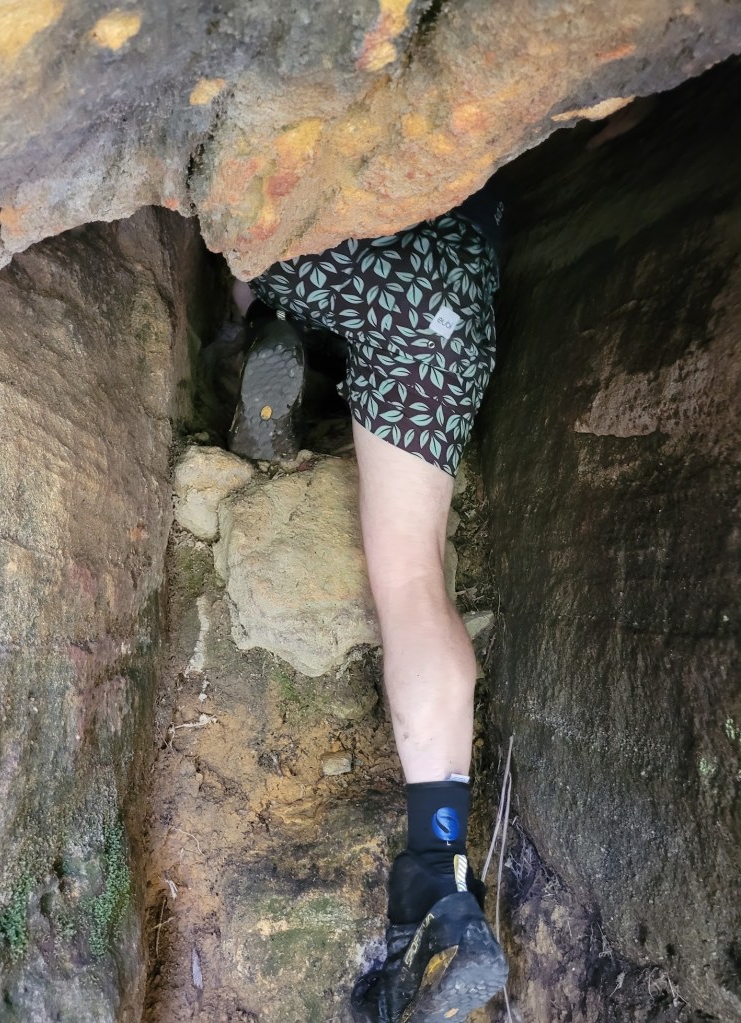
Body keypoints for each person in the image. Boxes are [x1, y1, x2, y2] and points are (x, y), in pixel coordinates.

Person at [231, 183, 509, 1023]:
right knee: (418, 581)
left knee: (237, 234)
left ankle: (257, 338)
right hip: (457, 298)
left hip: (380, 268)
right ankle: (439, 878)